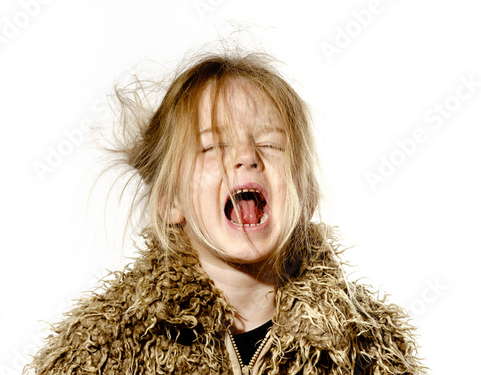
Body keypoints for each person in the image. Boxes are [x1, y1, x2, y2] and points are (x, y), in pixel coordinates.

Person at [25, 53, 424, 374]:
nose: (247, 158)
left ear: (305, 197)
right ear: (169, 201)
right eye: (212, 147)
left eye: (270, 144)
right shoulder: (105, 350)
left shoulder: (367, 351)